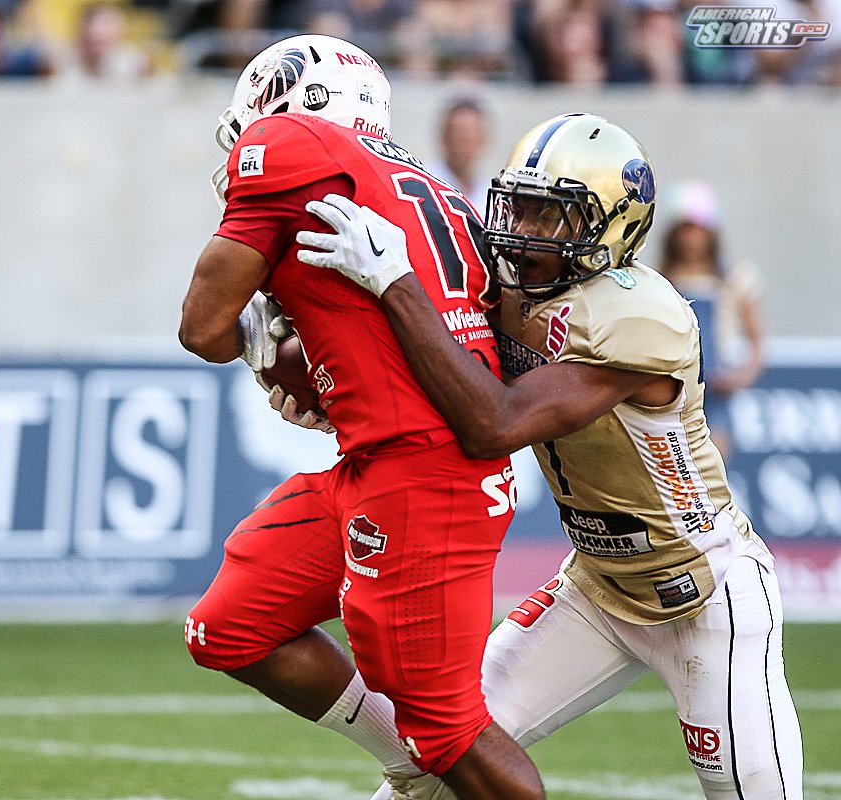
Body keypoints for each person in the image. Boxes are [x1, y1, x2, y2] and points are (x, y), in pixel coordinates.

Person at [295, 112, 804, 800]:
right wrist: (297, 358)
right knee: (438, 758)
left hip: (705, 595)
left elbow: (493, 423)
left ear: (612, 226)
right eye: (519, 207)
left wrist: (396, 283)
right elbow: (422, 364)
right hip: (597, 588)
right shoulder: (510, 292)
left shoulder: (639, 316)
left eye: (549, 215)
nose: (522, 231)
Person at [178, 35, 545, 800]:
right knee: (229, 625)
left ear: (297, 100)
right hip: (382, 460)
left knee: (448, 730)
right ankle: (410, 770)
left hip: (422, 479)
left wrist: (252, 336)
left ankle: (424, 759)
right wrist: (317, 370)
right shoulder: (429, 186)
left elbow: (202, 327)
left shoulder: (293, 144)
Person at [658, 179, 766, 464]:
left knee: (712, 466)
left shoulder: (735, 278)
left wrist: (739, 378)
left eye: (697, 228)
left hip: (716, 393)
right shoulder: (658, 281)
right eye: (684, 228)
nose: (690, 238)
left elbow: (757, 343)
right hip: (672, 392)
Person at [427, 98, 494, 208]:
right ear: (445, 137)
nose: (466, 148)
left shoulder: (489, 194)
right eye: (460, 138)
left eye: (471, 139)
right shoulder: (425, 184)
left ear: (483, 140)